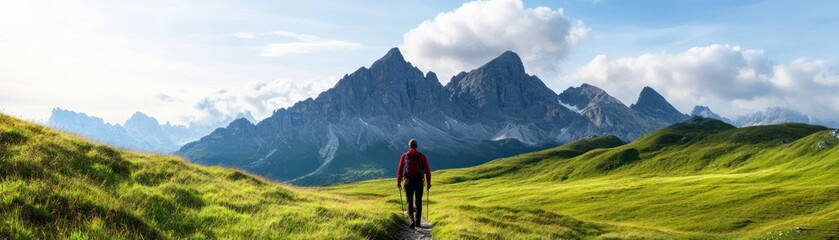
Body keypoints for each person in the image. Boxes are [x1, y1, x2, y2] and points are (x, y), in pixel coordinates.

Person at [397, 139, 431, 229]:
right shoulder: (422, 156)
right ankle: (418, 222)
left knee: (409, 201)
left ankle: (411, 220)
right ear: (417, 146)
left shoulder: (404, 156)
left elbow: (400, 170)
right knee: (418, 201)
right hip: (419, 181)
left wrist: (399, 182)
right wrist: (429, 183)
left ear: (409, 146)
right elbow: (427, 171)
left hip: (409, 181)